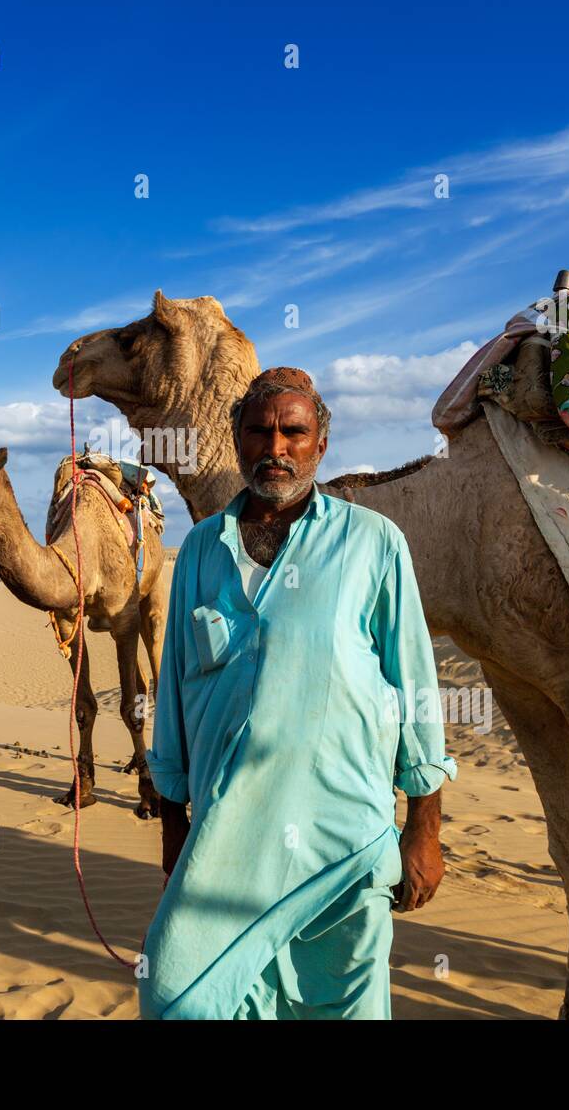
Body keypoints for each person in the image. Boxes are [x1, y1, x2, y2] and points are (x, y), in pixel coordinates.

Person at [139, 367, 456, 1020]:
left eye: (293, 431)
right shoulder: (200, 550)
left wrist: (423, 828)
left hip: (341, 841)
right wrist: (176, 833)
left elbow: (416, 687)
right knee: (174, 994)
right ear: (236, 440)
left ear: (320, 442)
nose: (275, 448)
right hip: (227, 843)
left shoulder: (374, 544)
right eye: (260, 431)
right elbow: (172, 696)